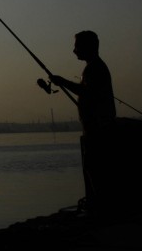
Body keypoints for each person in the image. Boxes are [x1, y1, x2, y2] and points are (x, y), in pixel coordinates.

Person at [49, 30, 116, 213]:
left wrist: (63, 82)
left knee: (95, 167)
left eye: (77, 46)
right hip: (96, 128)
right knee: (95, 167)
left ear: (89, 47)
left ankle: (101, 208)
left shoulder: (94, 68)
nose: (74, 51)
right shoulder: (94, 67)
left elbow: (87, 92)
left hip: (98, 128)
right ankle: (100, 206)